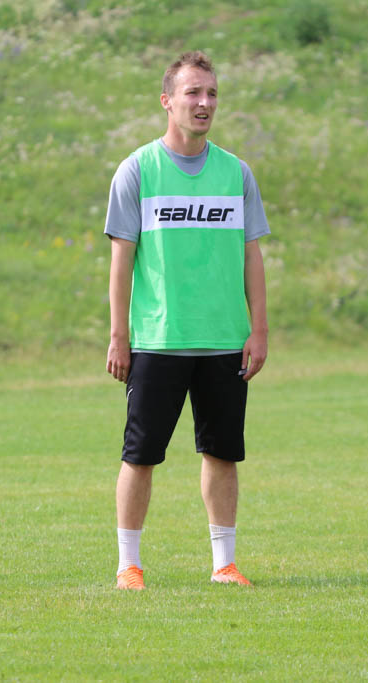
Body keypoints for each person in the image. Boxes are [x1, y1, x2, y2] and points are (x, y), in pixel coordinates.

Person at [104, 51, 270, 590]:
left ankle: (225, 564)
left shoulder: (236, 173)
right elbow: (121, 261)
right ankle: (129, 566)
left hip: (224, 340)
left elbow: (251, 255)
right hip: (158, 341)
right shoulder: (137, 170)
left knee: (222, 453)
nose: (204, 103)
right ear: (167, 101)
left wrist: (259, 330)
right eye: (193, 93)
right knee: (140, 455)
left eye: (212, 93)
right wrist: (120, 337)